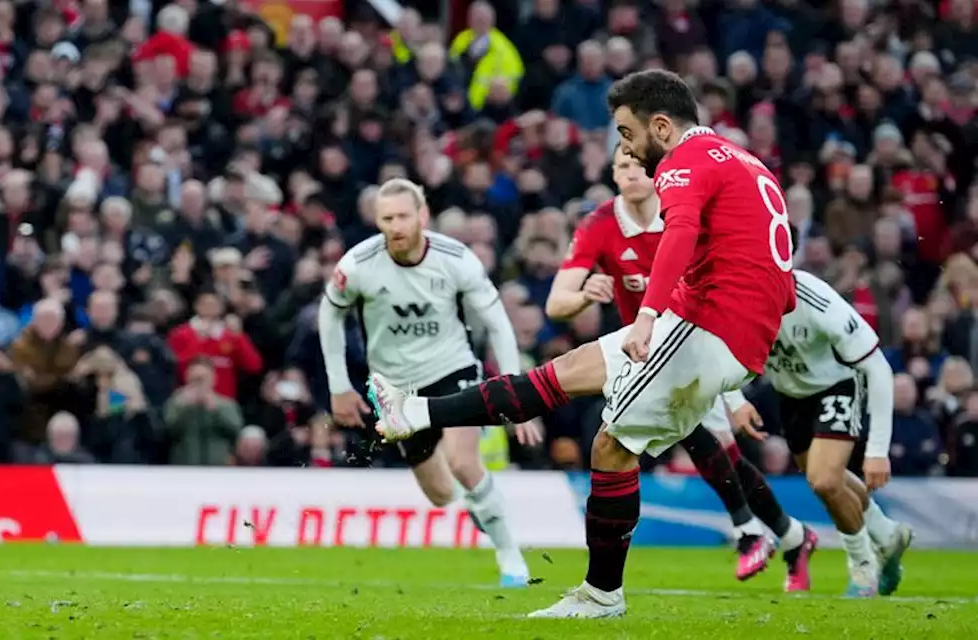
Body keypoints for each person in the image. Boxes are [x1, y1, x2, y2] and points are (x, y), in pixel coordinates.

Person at [368, 70, 796, 618]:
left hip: (705, 324)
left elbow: (681, 234)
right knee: (564, 372)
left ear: (660, 126)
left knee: (611, 448)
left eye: (627, 133)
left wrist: (648, 319)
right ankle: (416, 411)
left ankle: (602, 595)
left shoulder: (684, 163)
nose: (625, 148)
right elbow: (779, 281)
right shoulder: (742, 160)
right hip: (721, 324)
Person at [546, 145, 812, 583]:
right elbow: (557, 304)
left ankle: (758, 531)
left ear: (656, 174)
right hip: (646, 353)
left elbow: (716, 309)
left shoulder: (685, 219)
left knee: (710, 446)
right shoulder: (600, 225)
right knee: (712, 448)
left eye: (638, 165)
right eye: (622, 166)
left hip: (698, 346)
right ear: (613, 174)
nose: (631, 173)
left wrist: (736, 394)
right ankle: (783, 533)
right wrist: (583, 296)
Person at [319, 178, 539, 588]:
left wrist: (516, 390)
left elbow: (497, 323)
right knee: (440, 494)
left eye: (403, 216)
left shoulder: (456, 258)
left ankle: (511, 559)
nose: (396, 225)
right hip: (393, 387)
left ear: (422, 215)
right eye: (387, 218)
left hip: (451, 369)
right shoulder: (357, 264)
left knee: (463, 462)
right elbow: (329, 314)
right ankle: (481, 504)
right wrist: (339, 386)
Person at [728, 270, 912, 597]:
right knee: (824, 480)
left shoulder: (816, 299)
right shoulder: (742, 299)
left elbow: (878, 367)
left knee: (825, 480)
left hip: (837, 384)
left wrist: (877, 451)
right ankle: (886, 533)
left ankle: (863, 567)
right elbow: (722, 351)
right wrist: (735, 400)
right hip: (791, 396)